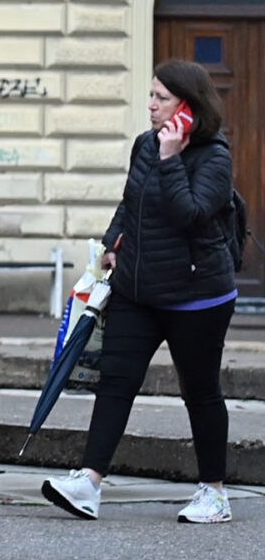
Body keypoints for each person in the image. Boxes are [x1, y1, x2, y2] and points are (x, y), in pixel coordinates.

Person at [43, 60, 242, 525]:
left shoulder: (214, 156)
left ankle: (214, 493)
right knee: (116, 381)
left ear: (188, 108)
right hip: (138, 287)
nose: (150, 106)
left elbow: (189, 214)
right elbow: (130, 201)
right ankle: (89, 483)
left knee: (200, 391)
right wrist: (113, 242)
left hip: (198, 296)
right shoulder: (145, 146)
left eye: (161, 99)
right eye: (151, 96)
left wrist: (172, 158)